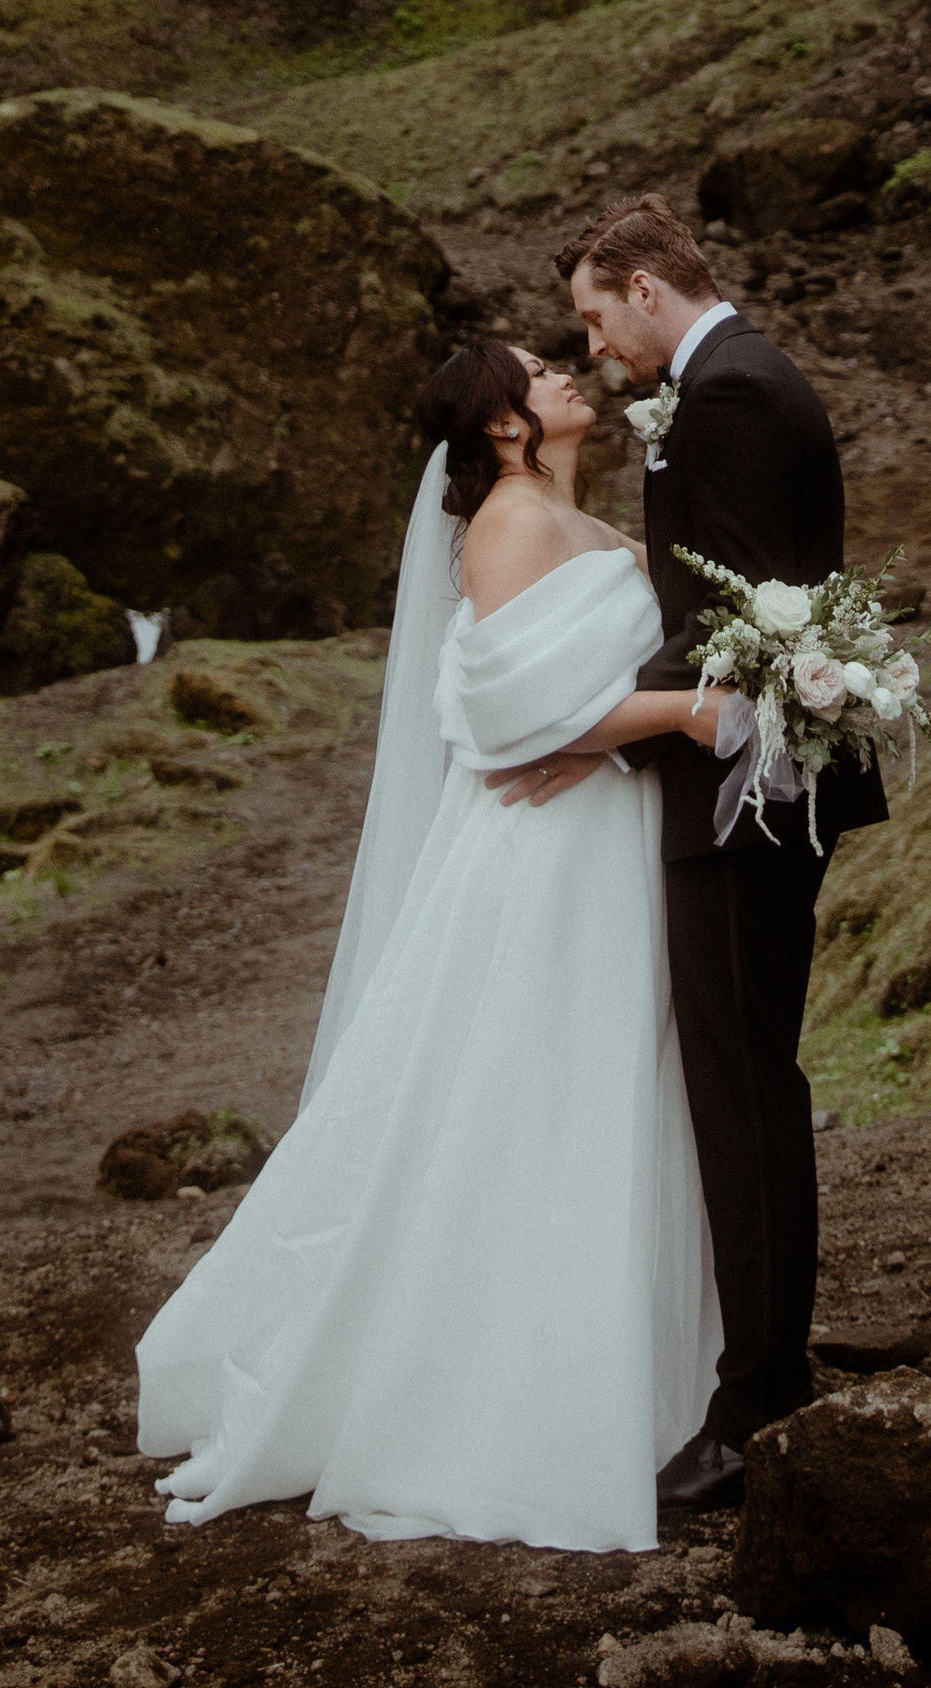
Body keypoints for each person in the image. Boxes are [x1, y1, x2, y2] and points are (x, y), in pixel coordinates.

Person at [132, 333, 725, 1552]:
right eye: (541, 370)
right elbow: (504, 719)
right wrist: (687, 712)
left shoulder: (564, 511)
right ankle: (493, 1395)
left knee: (586, 1087)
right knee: (534, 1092)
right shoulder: (509, 520)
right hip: (549, 854)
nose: (568, 375)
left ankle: (621, 1367)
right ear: (506, 426)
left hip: (601, 834)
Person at [488, 197, 883, 1514]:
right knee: (749, 1080)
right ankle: (768, 1363)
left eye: (598, 318)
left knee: (743, 1088)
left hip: (746, 800)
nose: (596, 349)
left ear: (648, 287)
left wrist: (601, 738)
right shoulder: (742, 379)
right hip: (761, 787)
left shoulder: (726, 400)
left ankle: (759, 1398)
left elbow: (738, 633)